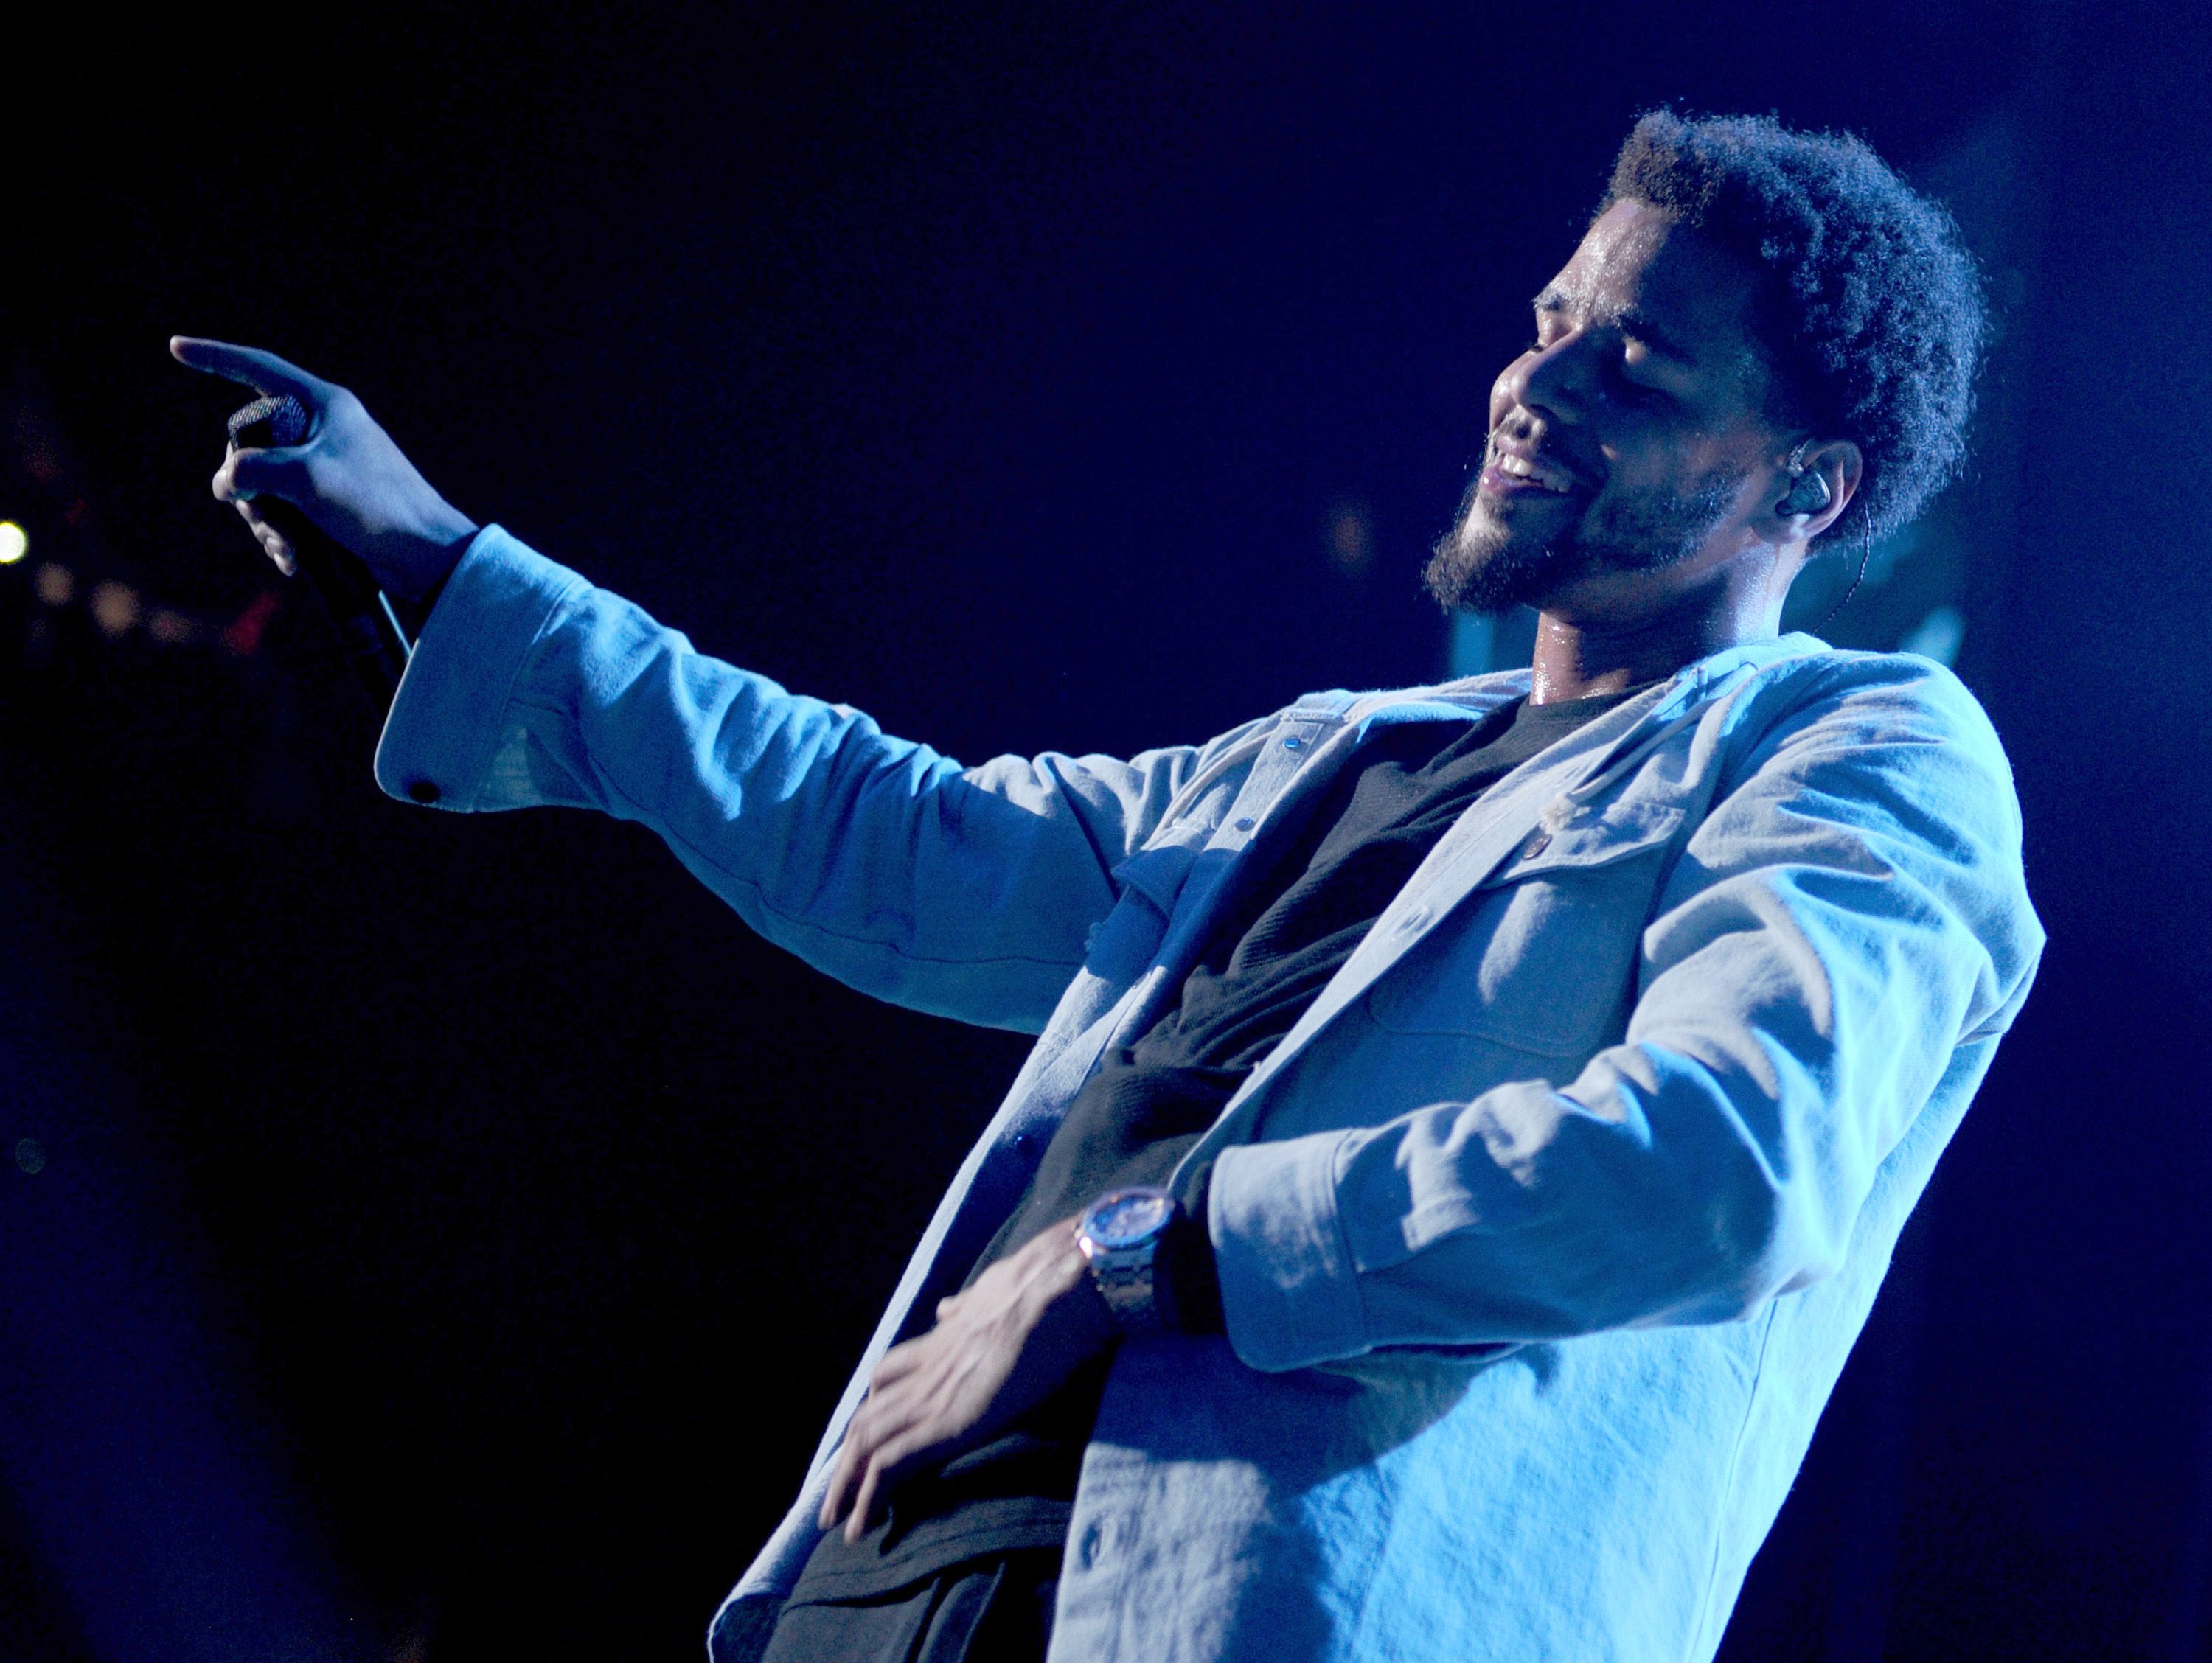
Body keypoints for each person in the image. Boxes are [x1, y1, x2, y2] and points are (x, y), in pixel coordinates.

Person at [174, 110, 2042, 1663]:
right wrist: (448, 560)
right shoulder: (1338, 751)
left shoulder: (1863, 747)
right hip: (891, 1574)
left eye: (1632, 369)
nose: (1536, 384)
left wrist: (1130, 1255)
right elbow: (896, 839)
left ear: (1806, 490)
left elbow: (1723, 1166)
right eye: (1553, 320)